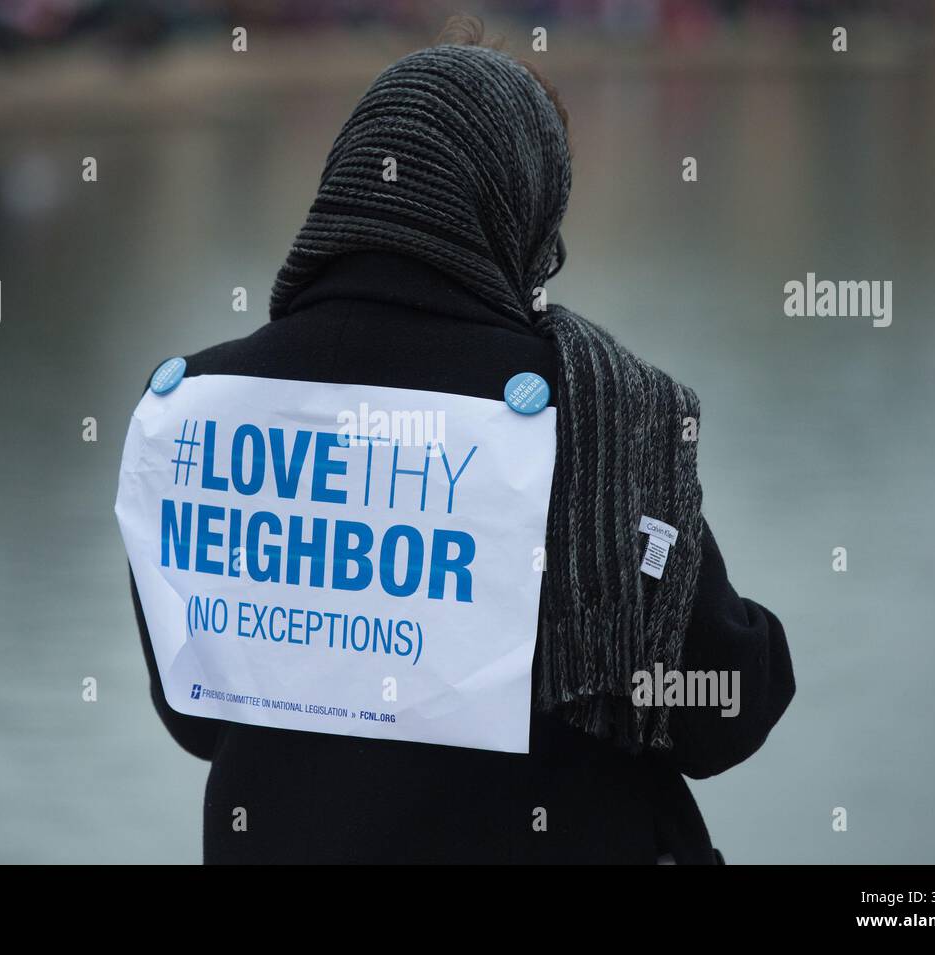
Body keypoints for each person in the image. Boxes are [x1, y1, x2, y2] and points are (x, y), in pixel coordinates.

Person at [128, 19, 794, 864]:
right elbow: (717, 715)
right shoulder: (592, 416)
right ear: (522, 208)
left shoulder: (195, 408)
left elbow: (195, 714)